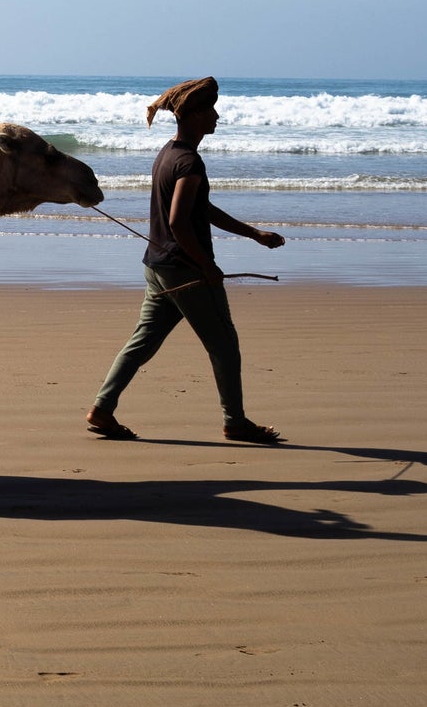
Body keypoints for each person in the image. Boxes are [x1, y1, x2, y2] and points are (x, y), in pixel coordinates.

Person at [87, 76, 285, 445]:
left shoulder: (168, 153)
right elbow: (179, 220)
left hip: (157, 267)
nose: (216, 115)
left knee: (143, 341)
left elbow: (200, 208)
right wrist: (206, 266)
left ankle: (102, 407)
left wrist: (252, 233)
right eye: (210, 109)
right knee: (224, 346)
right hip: (185, 270)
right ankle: (235, 422)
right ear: (192, 115)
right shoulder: (190, 163)